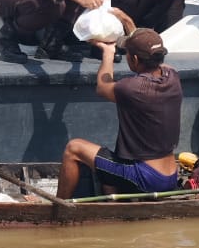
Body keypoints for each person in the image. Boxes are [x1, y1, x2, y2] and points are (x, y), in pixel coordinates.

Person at [56, 26, 183, 198]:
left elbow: (103, 86)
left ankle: (57, 207)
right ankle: (113, 205)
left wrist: (108, 53)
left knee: (74, 148)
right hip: (170, 175)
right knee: (112, 157)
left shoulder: (131, 88)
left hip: (146, 178)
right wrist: (132, 28)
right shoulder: (172, 77)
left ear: (135, 59)